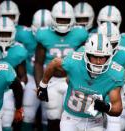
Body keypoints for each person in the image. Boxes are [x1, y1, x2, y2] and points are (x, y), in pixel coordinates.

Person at [37, 33, 125, 131]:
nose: (98, 62)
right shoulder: (75, 62)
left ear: (109, 57)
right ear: (86, 55)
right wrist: (43, 85)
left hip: (94, 121)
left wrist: (106, 107)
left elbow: (118, 109)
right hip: (70, 118)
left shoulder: (114, 74)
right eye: (95, 56)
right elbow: (54, 63)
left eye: (103, 57)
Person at [34, 1, 88, 131]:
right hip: (52, 79)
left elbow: (86, 60)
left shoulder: (80, 34)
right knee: (52, 115)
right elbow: (38, 63)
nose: (63, 23)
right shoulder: (43, 34)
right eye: (60, 19)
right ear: (52, 19)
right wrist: (40, 85)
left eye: (66, 20)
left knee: (73, 117)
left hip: (71, 80)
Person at [0, 16, 27, 131]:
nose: (4, 37)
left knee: (6, 124)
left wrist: (20, 86)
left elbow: (23, 74)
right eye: (1, 33)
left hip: (8, 90)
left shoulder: (19, 50)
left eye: (7, 34)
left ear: (14, 33)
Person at [21, 9, 52, 131]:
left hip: (50, 79)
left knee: (48, 114)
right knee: (28, 113)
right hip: (30, 77)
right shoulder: (23, 34)